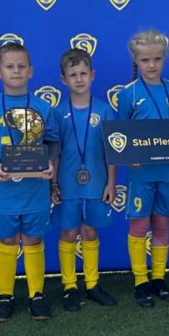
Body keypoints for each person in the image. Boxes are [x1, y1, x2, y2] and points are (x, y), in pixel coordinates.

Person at [0, 43, 59, 322]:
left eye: (21, 66)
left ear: (31, 71)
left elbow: (52, 142)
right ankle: (5, 296)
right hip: (3, 190)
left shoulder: (42, 107)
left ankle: (37, 295)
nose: (16, 71)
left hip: (35, 189)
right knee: (8, 239)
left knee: (33, 238)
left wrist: (51, 164)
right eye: (10, 66)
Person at [116, 30, 169, 308]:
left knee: (162, 224)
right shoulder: (128, 94)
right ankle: (140, 280)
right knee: (139, 225)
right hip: (141, 173)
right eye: (145, 60)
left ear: (164, 58)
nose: (152, 65)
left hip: (168, 171)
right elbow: (119, 136)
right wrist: (128, 155)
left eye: (157, 59)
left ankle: (158, 277)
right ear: (135, 60)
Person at [49, 48, 118, 311]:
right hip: (66, 185)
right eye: (73, 75)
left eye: (83, 73)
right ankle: (69, 286)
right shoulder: (57, 113)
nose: (79, 79)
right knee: (68, 232)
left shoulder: (104, 110)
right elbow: (54, 153)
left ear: (92, 75)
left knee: (90, 231)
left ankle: (92, 284)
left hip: (96, 183)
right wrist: (53, 184)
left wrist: (111, 183)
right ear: (63, 80)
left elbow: (112, 151)